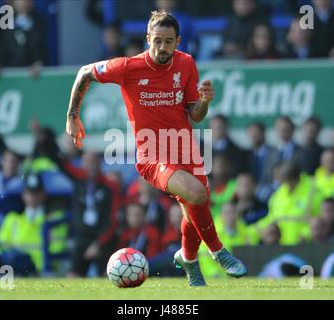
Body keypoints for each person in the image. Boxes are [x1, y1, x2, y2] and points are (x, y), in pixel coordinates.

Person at [65, 10, 247, 286]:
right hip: (152, 155)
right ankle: (218, 252)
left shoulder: (186, 64)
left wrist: (205, 101)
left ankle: (188, 259)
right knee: (197, 194)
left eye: (169, 41)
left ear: (178, 41)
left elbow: (194, 114)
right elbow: (85, 73)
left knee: (194, 207)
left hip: (185, 149)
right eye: (157, 41)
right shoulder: (127, 67)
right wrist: (72, 116)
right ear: (148, 38)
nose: (162, 47)